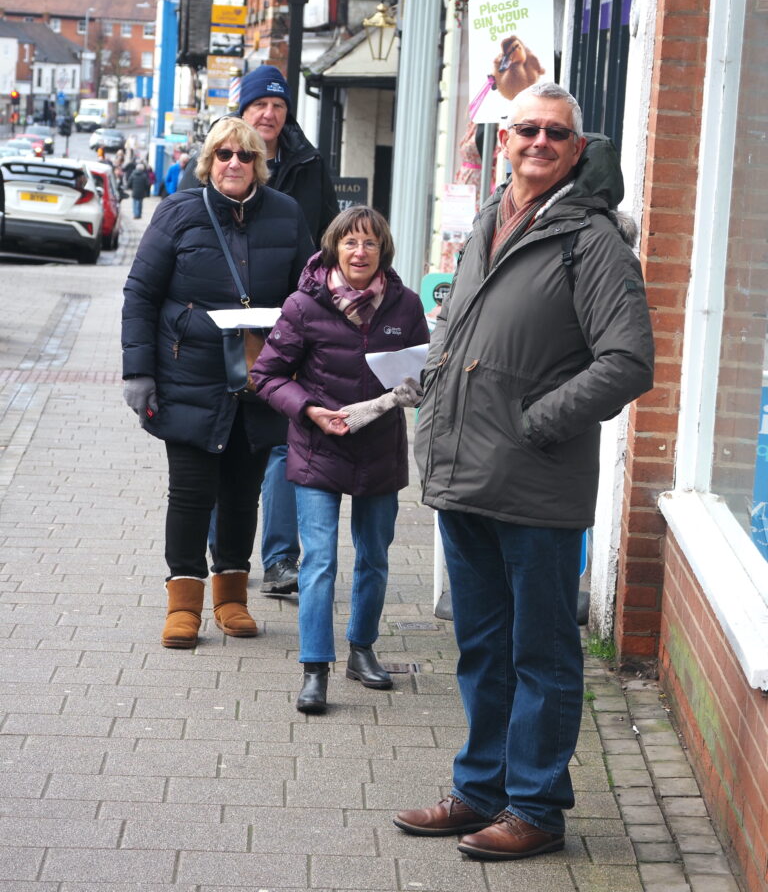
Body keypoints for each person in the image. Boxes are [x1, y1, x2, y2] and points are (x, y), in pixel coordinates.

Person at [393, 82, 655, 861]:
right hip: (466, 472)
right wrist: (426, 383)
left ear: (578, 151)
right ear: (501, 142)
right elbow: (460, 329)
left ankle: (536, 808)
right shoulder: (489, 221)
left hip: (536, 485)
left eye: (556, 133)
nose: (538, 142)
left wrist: (538, 421)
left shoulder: (592, 241)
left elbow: (629, 362)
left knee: (540, 653)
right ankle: (480, 791)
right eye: (525, 130)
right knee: (482, 646)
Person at [121, 117, 314, 649]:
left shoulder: (286, 214)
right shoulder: (179, 212)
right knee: (190, 493)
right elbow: (140, 293)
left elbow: (308, 296)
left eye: (246, 155)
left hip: (260, 375)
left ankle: (231, 598)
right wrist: (139, 372)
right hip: (189, 375)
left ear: (259, 163)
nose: (234, 163)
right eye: (224, 154)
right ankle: (184, 605)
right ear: (209, 161)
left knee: (241, 494)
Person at [251, 206, 430, 714]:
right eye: (350, 242)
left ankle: (362, 649)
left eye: (370, 244)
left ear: (382, 252)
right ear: (334, 248)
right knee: (321, 561)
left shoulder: (405, 306)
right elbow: (266, 376)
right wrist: (308, 409)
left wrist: (415, 389)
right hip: (318, 446)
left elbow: (422, 372)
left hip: (379, 447)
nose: (359, 252)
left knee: (374, 557)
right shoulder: (303, 305)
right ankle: (314, 669)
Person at [181, 65, 339, 597]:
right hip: (221, 342)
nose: (269, 114)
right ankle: (223, 554)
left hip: (285, 333)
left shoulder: (311, 163)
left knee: (278, 448)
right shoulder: (212, 164)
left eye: (278, 105)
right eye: (258, 105)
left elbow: (325, 247)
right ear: (241, 113)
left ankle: (278, 560)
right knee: (223, 448)